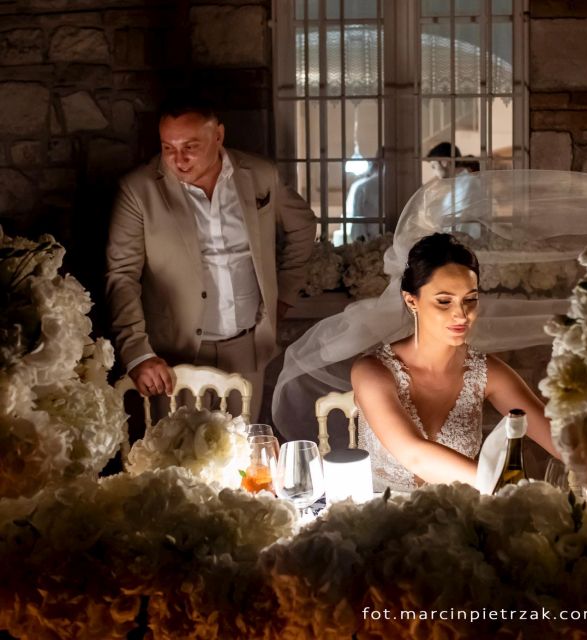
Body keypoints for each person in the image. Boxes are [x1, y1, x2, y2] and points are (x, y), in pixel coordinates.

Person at [105, 93, 316, 419]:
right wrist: (138, 352)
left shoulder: (261, 175)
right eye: (168, 148)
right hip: (174, 354)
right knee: (175, 448)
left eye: (190, 146)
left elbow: (302, 226)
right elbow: (122, 276)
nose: (178, 159)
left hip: (247, 349)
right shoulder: (138, 190)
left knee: (244, 446)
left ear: (218, 135)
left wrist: (284, 293)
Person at [351, 233, 561, 491]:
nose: (461, 314)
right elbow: (414, 454)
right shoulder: (372, 370)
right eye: (444, 301)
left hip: (461, 511)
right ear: (411, 300)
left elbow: (559, 440)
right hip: (379, 511)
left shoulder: (487, 372)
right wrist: (503, 489)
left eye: (470, 300)